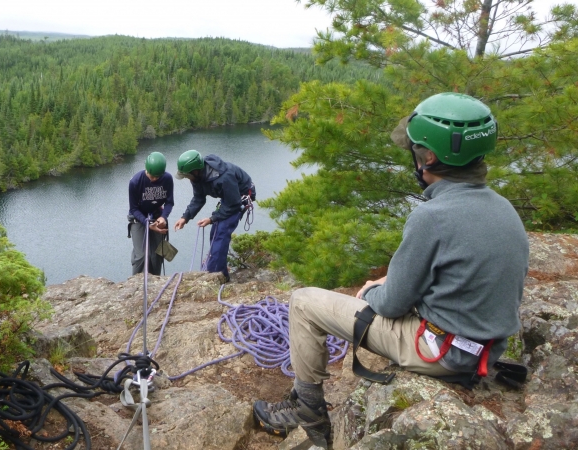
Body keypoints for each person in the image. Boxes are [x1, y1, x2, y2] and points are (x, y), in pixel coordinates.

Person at [252, 93, 529, 448]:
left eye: (414, 150)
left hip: (441, 354)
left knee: (303, 302)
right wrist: (392, 281)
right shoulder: (503, 209)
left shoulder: (432, 216)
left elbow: (392, 304)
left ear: (429, 157)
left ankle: (307, 409)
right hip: (484, 352)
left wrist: (371, 290)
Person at [173, 150, 255, 281]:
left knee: (221, 232)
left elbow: (233, 204)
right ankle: (219, 270)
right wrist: (185, 217)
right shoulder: (197, 177)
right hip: (228, 196)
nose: (187, 178)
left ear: (195, 171)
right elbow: (199, 198)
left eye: (187, 175)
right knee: (215, 232)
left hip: (240, 196)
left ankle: (216, 275)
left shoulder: (224, 177)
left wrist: (212, 219)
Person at [128, 152, 174, 276]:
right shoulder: (135, 182)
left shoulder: (167, 179)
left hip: (157, 216)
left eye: (157, 177)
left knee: (156, 256)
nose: (153, 179)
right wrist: (147, 223)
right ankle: (134, 284)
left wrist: (163, 217)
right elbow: (133, 209)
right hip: (138, 218)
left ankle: (155, 282)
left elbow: (169, 202)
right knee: (142, 256)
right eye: (151, 175)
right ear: (146, 169)